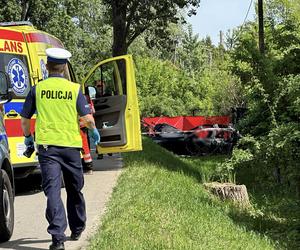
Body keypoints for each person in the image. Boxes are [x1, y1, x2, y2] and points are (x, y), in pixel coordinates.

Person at [20, 48, 100, 250]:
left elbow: (25, 119)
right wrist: (93, 132)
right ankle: (77, 227)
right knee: (75, 189)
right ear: (64, 67)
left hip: (47, 149)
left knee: (53, 192)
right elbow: (87, 118)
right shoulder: (74, 89)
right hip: (71, 148)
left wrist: (28, 138)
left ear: (47, 67)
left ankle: (58, 239)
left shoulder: (37, 89)